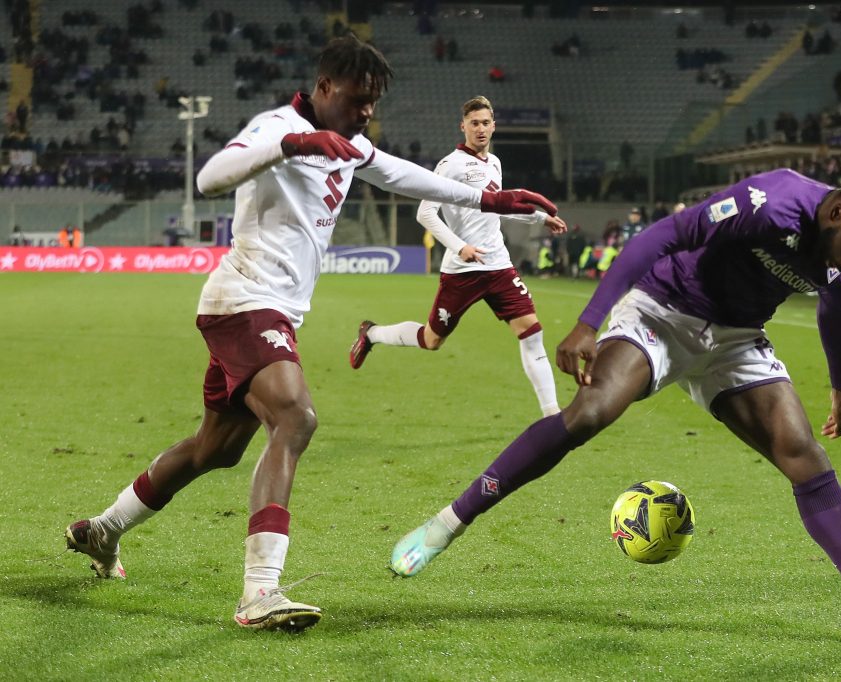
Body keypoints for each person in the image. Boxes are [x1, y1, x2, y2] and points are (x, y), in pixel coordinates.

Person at [63, 36, 557, 633]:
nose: (367, 112)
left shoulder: (351, 143)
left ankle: (102, 532)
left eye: (374, 103)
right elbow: (209, 178)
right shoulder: (276, 126)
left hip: (270, 311)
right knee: (295, 418)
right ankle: (259, 592)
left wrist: (495, 199)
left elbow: (408, 179)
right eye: (358, 99)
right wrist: (292, 144)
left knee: (213, 449)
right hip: (244, 301)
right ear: (325, 89)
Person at [388, 170, 841, 651]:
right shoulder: (771, 202)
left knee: (804, 455)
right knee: (589, 413)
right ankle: (446, 524)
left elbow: (837, 310)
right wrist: (589, 321)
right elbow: (662, 235)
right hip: (662, 310)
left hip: (736, 338)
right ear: (837, 210)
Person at [347, 96, 566, 418]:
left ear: (494, 126)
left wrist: (538, 218)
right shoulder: (451, 165)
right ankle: (373, 333)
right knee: (431, 340)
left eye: (485, 123)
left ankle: (552, 415)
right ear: (462, 126)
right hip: (462, 271)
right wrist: (458, 245)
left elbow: (498, 207)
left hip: (499, 266)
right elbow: (426, 213)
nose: (480, 129)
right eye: (474, 123)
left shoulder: (495, 163)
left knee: (531, 332)